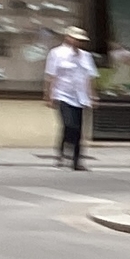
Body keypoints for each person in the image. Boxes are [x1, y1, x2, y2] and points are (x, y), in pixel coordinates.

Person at [42, 25, 96, 171]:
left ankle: (76, 161)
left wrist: (92, 95)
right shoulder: (57, 53)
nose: (78, 42)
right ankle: (62, 152)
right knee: (69, 125)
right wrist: (49, 95)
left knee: (78, 129)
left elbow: (89, 77)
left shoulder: (86, 56)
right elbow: (51, 75)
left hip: (80, 96)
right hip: (63, 94)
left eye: (80, 40)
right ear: (68, 38)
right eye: (76, 39)